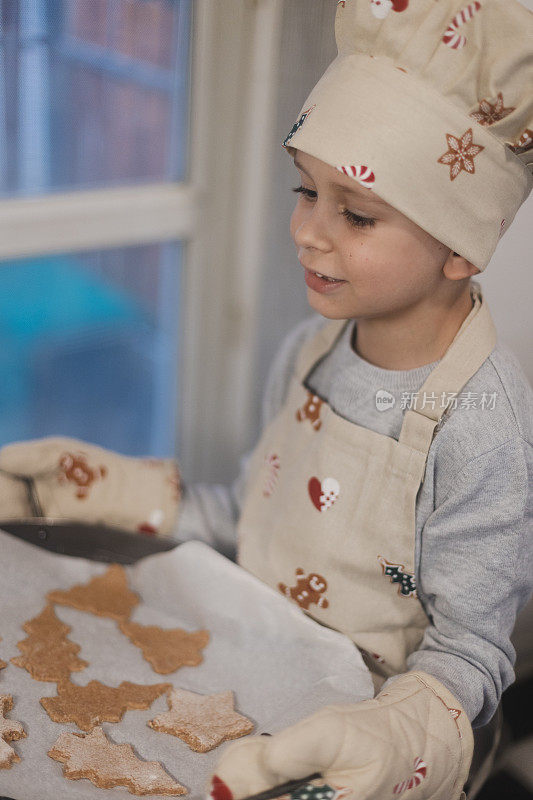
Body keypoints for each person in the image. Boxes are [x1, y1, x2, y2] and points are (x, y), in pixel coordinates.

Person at [0, 1, 532, 798]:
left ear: (461, 244)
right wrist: (118, 493)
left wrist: (400, 734)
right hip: (251, 669)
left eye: (353, 213)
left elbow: (471, 657)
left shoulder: (483, 428)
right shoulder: (313, 347)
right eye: (302, 190)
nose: (307, 232)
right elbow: (256, 521)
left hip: (361, 745)